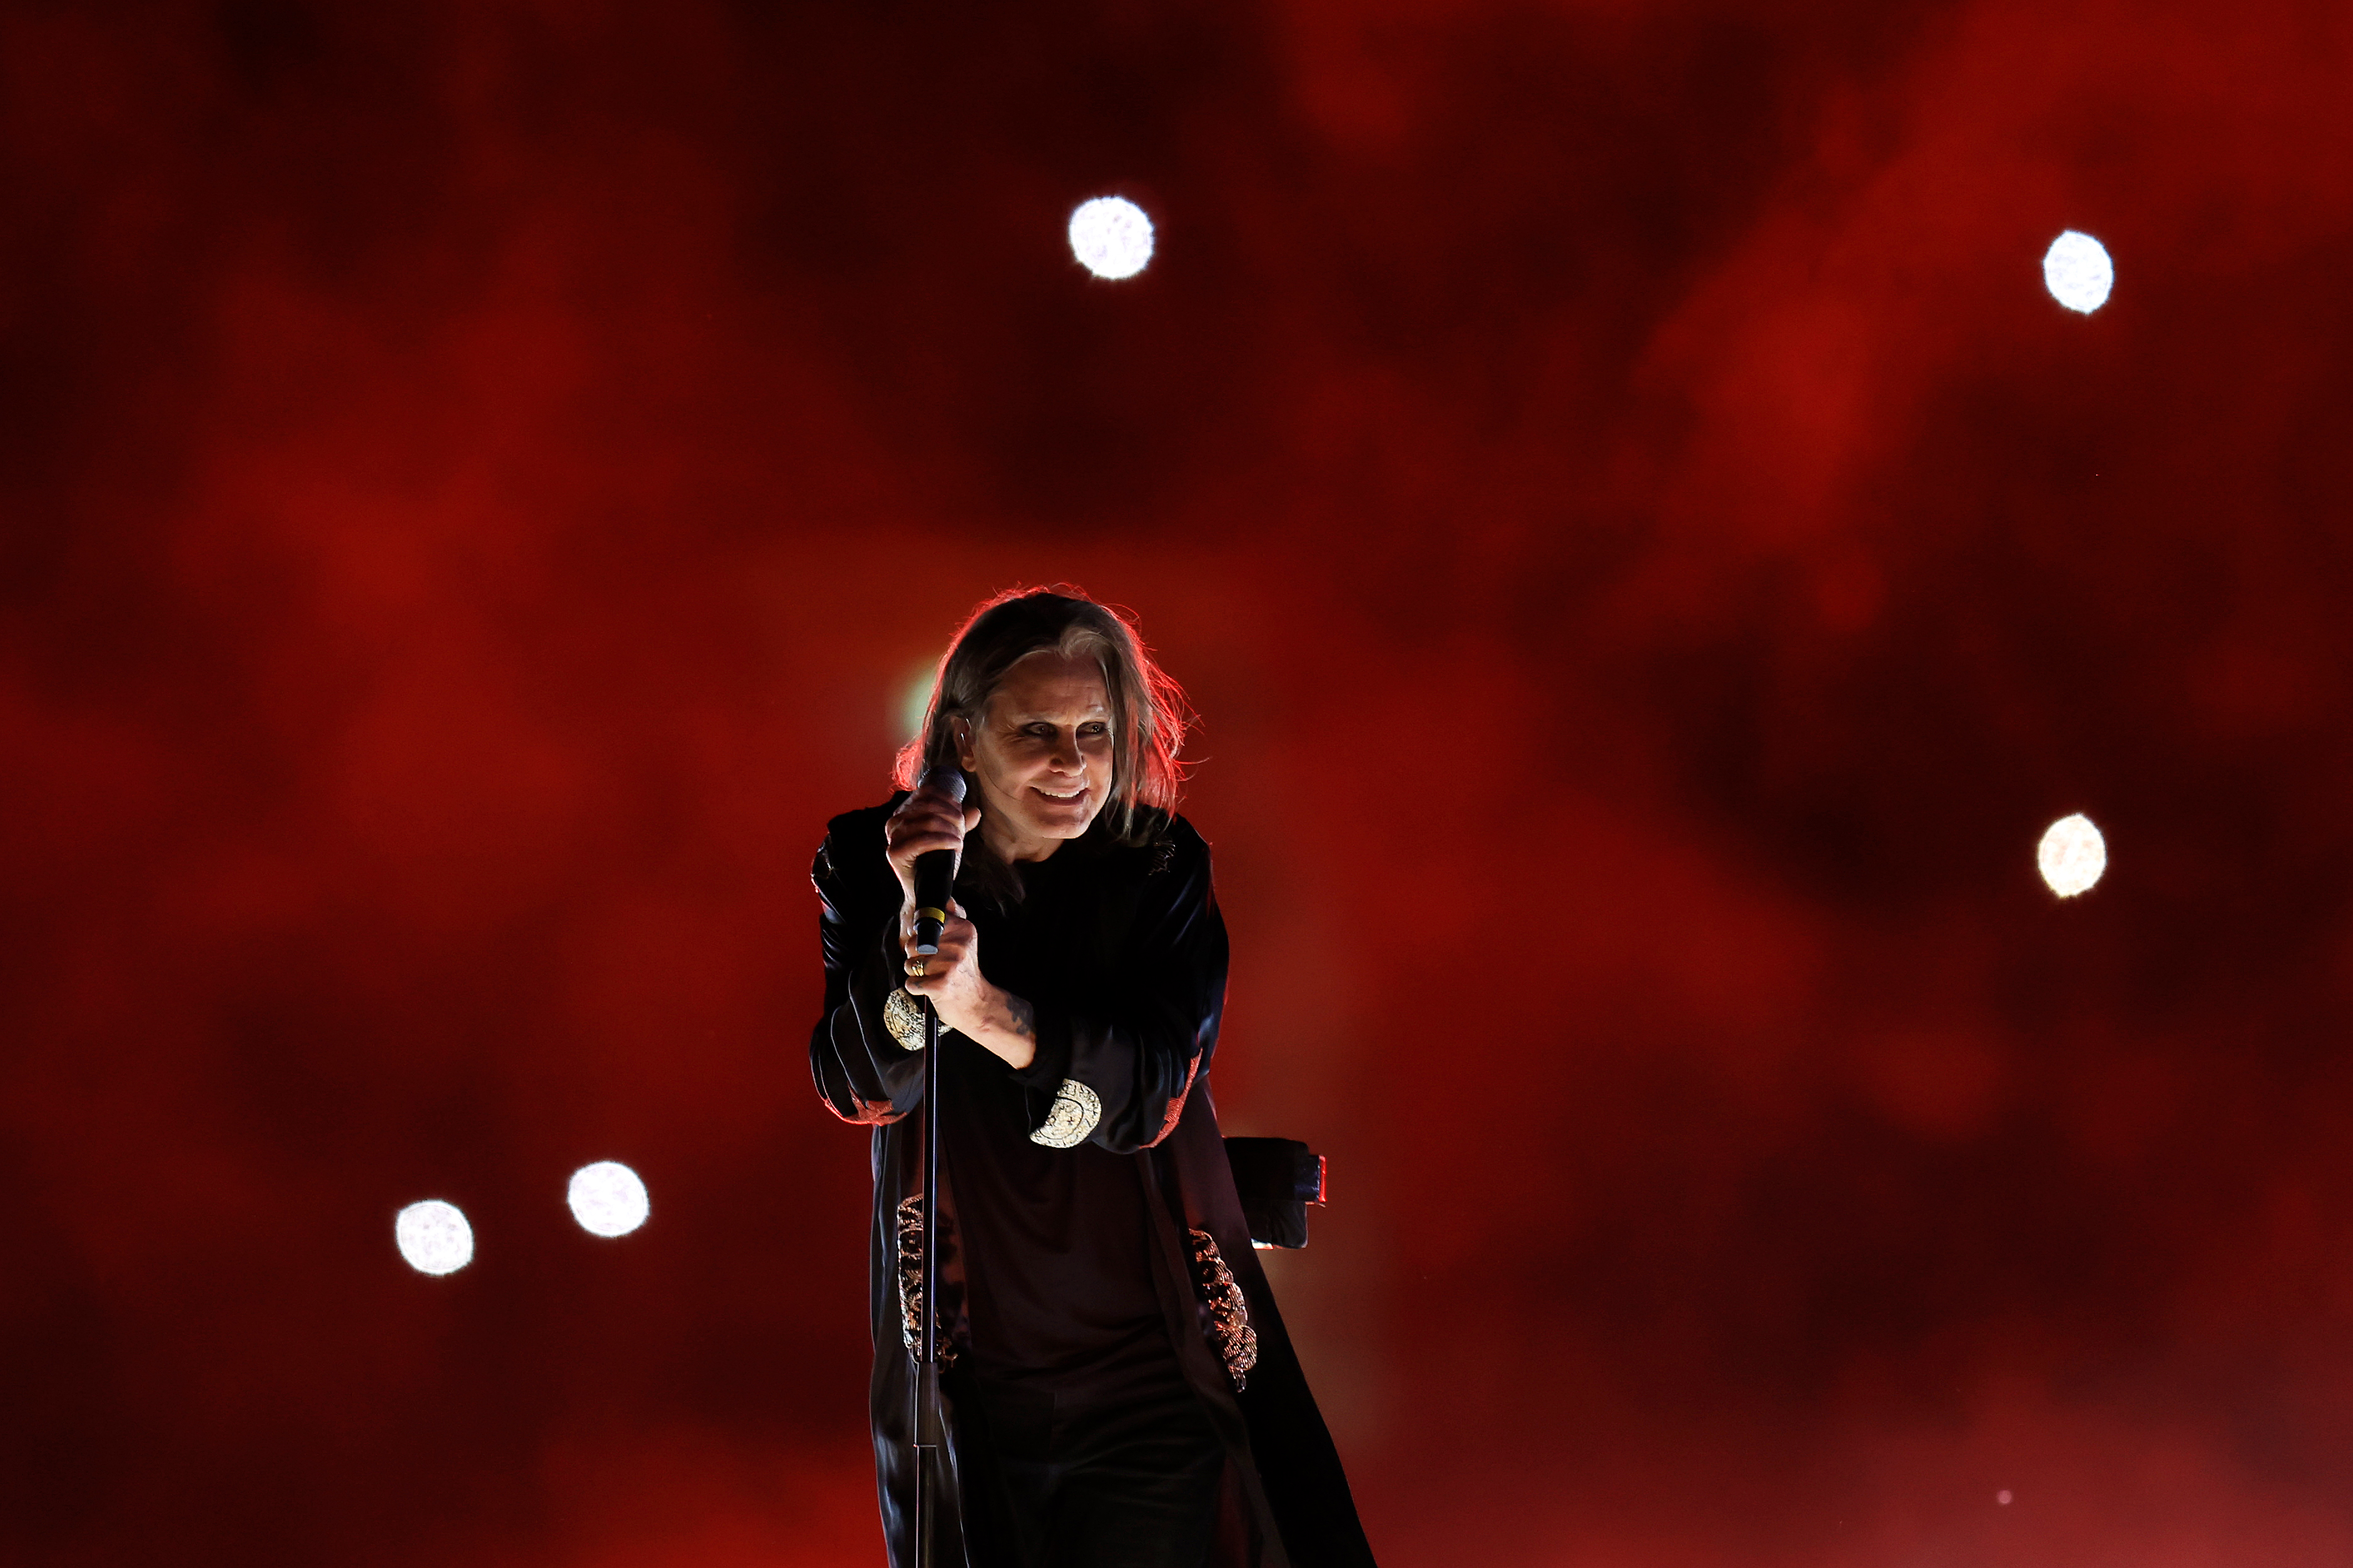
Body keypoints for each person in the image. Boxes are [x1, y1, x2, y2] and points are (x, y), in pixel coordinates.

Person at [810, 587, 1376, 1568]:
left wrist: (985, 1008)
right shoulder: (873, 861)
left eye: (1095, 731)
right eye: (1036, 729)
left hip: (1149, 1379)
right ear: (962, 733)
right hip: (970, 1384)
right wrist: (915, 920)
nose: (1072, 763)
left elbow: (1153, 1089)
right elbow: (860, 1086)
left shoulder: (1155, 870)